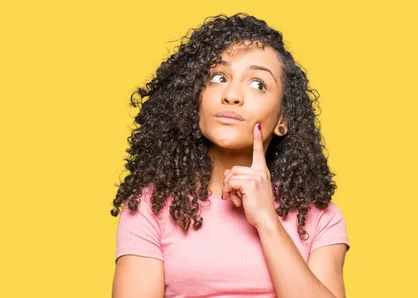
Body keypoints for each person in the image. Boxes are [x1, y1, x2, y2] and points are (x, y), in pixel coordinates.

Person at [109, 13, 350, 298]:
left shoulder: (320, 217)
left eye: (257, 83)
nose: (232, 95)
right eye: (218, 77)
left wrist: (267, 221)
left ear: (283, 119)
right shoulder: (149, 208)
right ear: (194, 102)